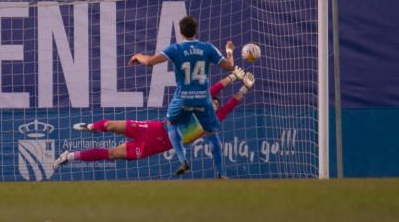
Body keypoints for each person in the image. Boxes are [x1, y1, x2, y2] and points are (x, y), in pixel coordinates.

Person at [54, 69, 254, 168]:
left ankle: (69, 156)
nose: (215, 105)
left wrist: (245, 87)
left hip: (157, 146)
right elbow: (212, 90)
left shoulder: (213, 120)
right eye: (213, 102)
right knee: (111, 125)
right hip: (153, 129)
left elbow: (231, 104)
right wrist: (232, 77)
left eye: (217, 105)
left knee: (112, 153)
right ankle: (90, 126)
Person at [128, 16, 235, 177]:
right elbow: (229, 66)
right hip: (203, 98)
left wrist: (137, 56)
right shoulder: (207, 48)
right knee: (211, 133)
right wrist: (229, 50)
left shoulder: (175, 49)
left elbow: (150, 62)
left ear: (180, 32)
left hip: (183, 97)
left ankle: (182, 159)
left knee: (171, 123)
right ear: (196, 30)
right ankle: (221, 173)